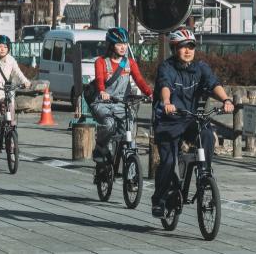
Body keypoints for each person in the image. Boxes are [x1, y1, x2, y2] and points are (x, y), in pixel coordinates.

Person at [150, 27, 234, 218]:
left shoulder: (200, 67)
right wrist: (167, 103)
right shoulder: (167, 67)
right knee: (168, 161)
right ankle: (160, 199)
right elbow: (165, 86)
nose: (188, 50)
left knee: (206, 134)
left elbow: (214, 83)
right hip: (168, 121)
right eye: (182, 46)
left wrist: (226, 100)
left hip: (190, 118)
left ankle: (205, 173)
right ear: (174, 48)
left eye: (191, 46)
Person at [91, 27, 153, 162]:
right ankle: (100, 147)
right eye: (119, 44)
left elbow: (139, 80)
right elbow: (99, 79)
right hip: (103, 103)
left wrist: (149, 93)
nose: (123, 47)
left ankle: (126, 160)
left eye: (125, 44)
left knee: (129, 127)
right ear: (111, 45)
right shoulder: (101, 62)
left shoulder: (129, 62)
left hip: (121, 104)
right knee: (109, 124)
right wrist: (102, 91)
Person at [0, 35, 31, 139]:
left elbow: (18, 73)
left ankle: (11, 139)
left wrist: (26, 81)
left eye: (5, 47)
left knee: (10, 113)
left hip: (5, 93)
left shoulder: (11, 60)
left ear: (8, 48)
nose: (2, 49)